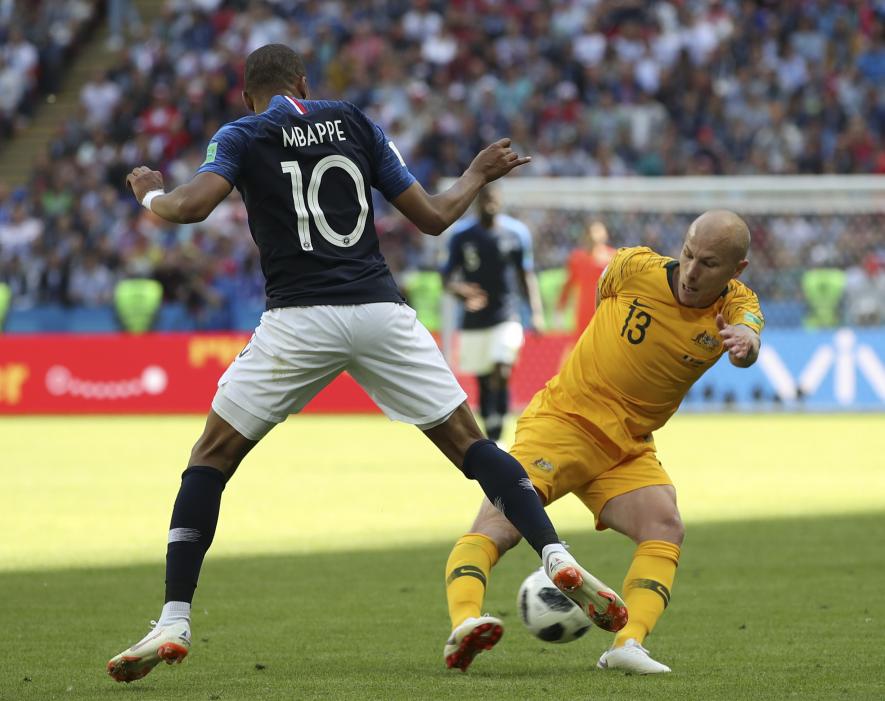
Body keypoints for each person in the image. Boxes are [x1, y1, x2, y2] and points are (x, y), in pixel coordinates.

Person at [107, 44, 625, 683]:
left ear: (249, 94)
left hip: (298, 318)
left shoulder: (244, 131)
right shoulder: (352, 119)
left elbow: (188, 208)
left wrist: (149, 195)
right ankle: (554, 553)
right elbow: (434, 218)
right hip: (379, 310)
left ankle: (174, 618)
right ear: (304, 81)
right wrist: (475, 176)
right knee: (472, 445)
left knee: (210, 458)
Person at [443, 210, 764, 673]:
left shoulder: (737, 304)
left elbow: (748, 333)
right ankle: (465, 624)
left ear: (737, 270)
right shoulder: (634, 266)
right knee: (499, 524)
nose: (692, 271)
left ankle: (626, 645)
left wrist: (748, 342)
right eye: (689, 254)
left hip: (627, 446)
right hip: (564, 421)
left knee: (665, 525)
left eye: (709, 264)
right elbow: (604, 296)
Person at [441, 185, 544, 445]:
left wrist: (536, 312)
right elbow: (446, 277)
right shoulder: (461, 236)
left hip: (507, 315)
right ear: (477, 203)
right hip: (474, 319)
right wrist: (461, 291)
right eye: (485, 199)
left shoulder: (516, 233)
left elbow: (525, 275)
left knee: (502, 367)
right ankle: (493, 431)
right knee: (485, 379)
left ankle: (498, 435)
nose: (490, 203)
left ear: (500, 201)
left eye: (494, 199)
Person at [557, 219, 615, 336]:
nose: (593, 236)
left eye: (597, 232)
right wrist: (560, 309)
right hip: (584, 314)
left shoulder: (614, 258)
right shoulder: (577, 258)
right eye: (590, 233)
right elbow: (568, 285)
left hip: (606, 313)